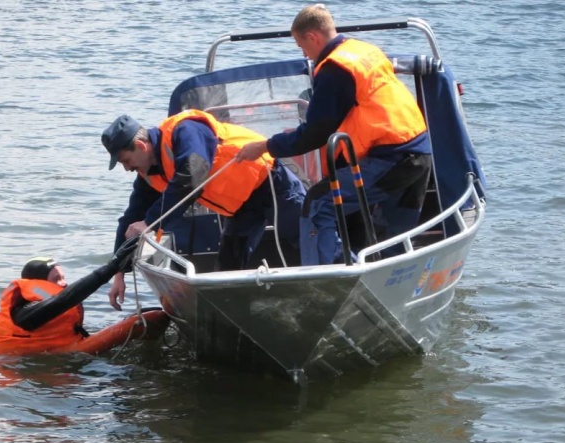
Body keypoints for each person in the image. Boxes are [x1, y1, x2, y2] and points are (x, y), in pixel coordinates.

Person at [237, 3, 433, 264]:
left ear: (312, 37)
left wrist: (266, 146)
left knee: (318, 203)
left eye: (301, 46)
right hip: (419, 151)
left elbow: (316, 133)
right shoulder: (364, 50)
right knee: (394, 236)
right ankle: (399, 277)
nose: (305, 54)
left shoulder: (334, 69)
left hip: (391, 158)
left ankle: (333, 277)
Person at [101, 109, 306, 310]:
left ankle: (326, 297)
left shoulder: (186, 129)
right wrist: (119, 272)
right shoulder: (148, 176)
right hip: (241, 209)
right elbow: (130, 219)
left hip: (271, 183)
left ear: (140, 146)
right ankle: (232, 317)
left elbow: (193, 173)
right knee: (226, 271)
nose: (126, 168)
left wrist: (150, 221)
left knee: (309, 239)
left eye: (125, 161)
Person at [0, 237, 138, 355]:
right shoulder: (23, 313)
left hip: (55, 353)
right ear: (38, 283)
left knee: (146, 317)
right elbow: (63, 300)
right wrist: (111, 268)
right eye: (56, 279)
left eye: (63, 277)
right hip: (0, 359)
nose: (63, 283)